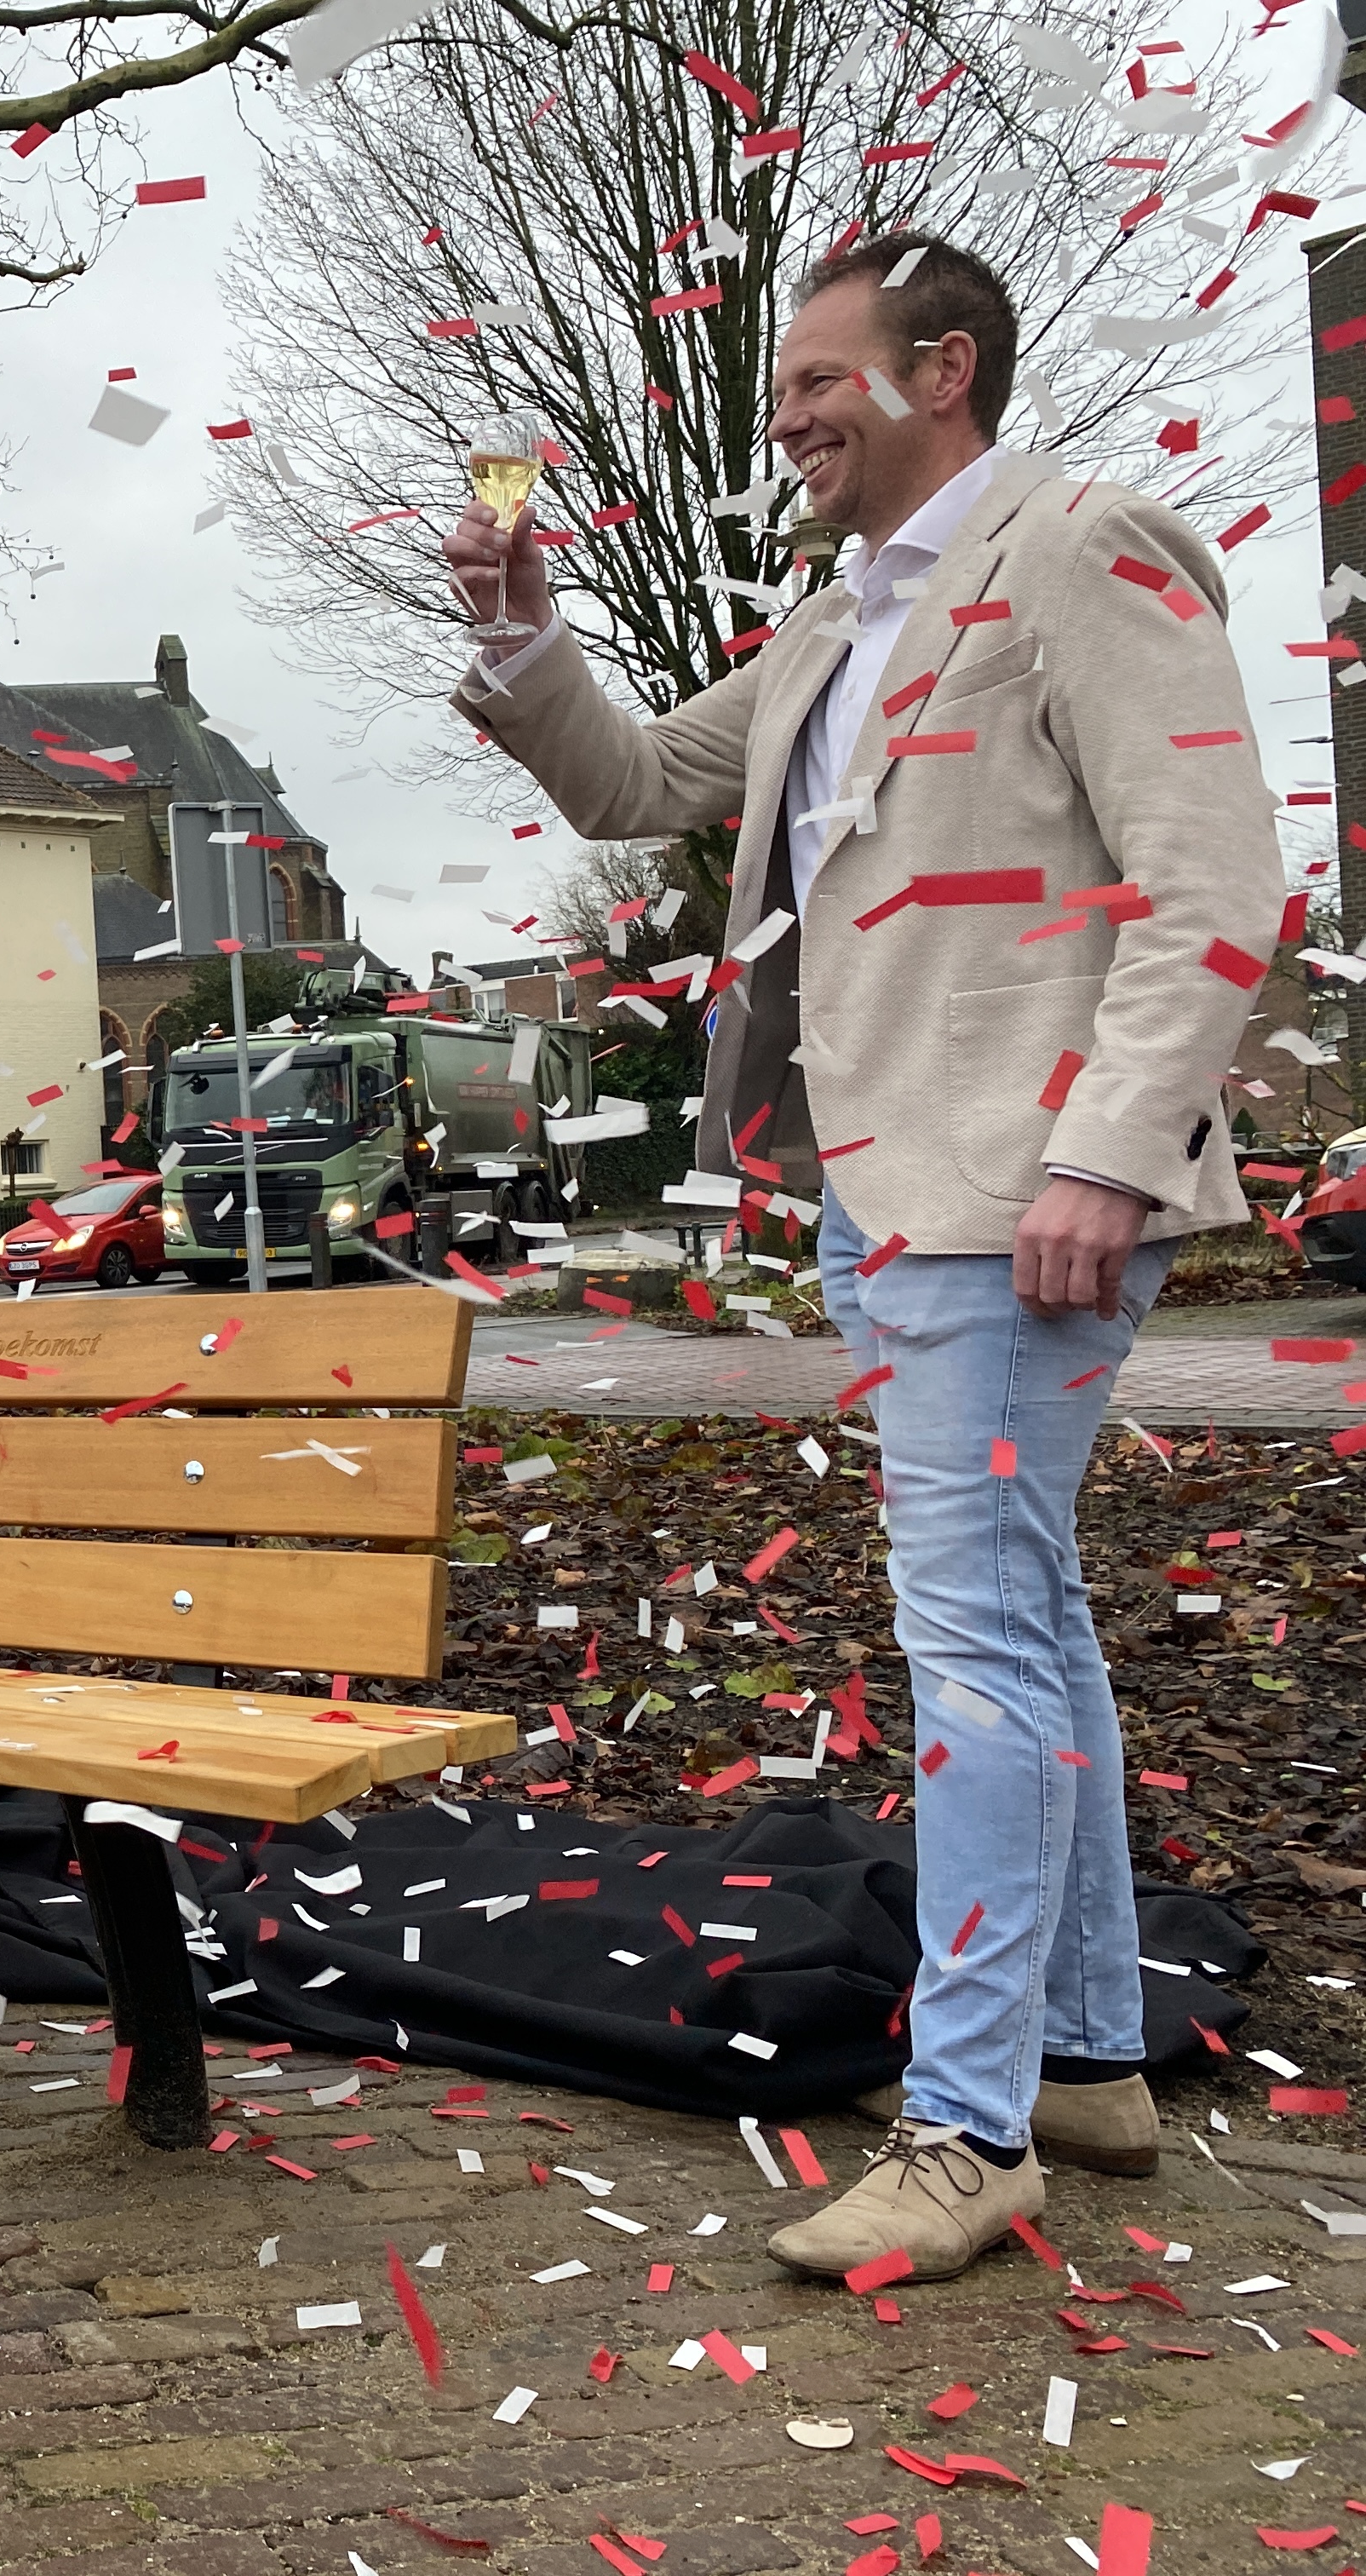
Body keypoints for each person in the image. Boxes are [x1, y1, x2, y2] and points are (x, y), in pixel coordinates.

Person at [445, 233, 1280, 2280]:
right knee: (1027, 1619)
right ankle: (1085, 2054)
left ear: (948, 368)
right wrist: (532, 638)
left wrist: (1104, 1154)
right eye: (785, 389)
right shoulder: (834, 628)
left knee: (974, 1645)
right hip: (888, 1191)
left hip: (1024, 1195)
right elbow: (643, 786)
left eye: (825, 378)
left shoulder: (1082, 550)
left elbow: (1215, 874)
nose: (789, 414)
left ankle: (971, 2126)